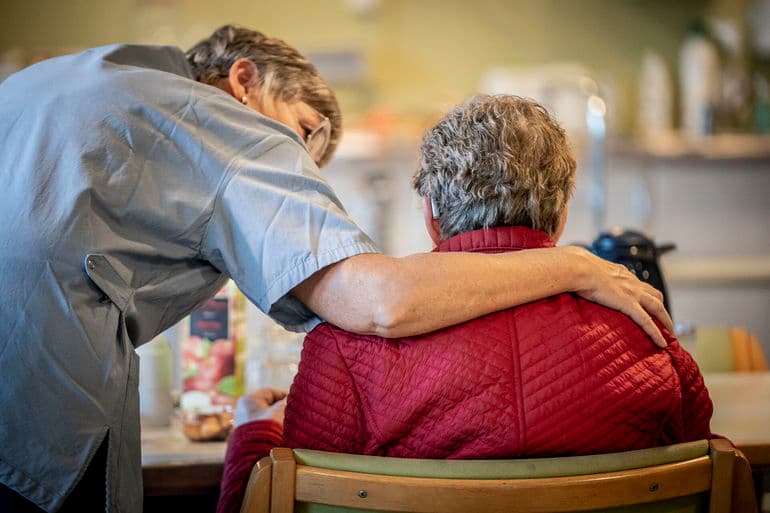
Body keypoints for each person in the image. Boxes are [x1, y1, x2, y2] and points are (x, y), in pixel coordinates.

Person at [0, 24, 670, 513]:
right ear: (244, 80)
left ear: (431, 210)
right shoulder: (224, 124)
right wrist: (574, 266)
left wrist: (253, 430)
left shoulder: (63, 81)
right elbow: (377, 300)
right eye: (302, 133)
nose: (294, 171)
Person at [217, 95, 714, 513]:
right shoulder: (643, 327)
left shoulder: (347, 344)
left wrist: (253, 433)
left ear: (431, 215)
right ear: (561, 215)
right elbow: (707, 475)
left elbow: (270, 501)